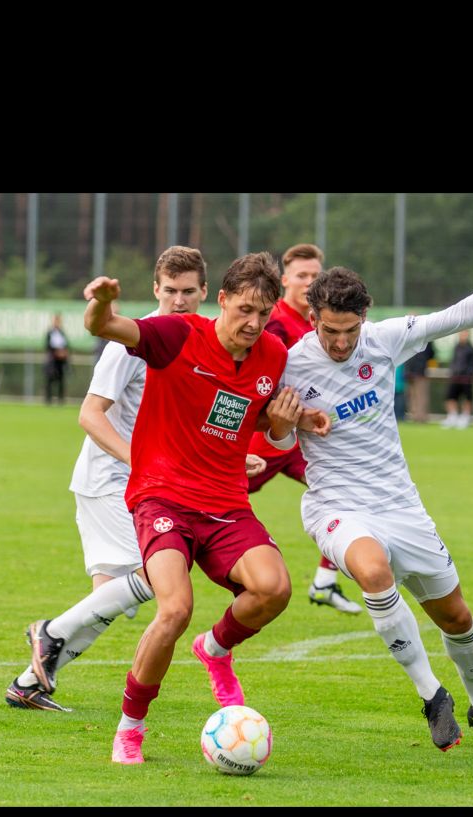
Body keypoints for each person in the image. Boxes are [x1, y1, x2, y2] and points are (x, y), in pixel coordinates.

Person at [281, 247, 473, 753]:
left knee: (458, 620)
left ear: (365, 316)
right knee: (374, 572)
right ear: (312, 318)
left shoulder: (383, 341)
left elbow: (455, 317)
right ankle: (432, 696)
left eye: (349, 331)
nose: (340, 343)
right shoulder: (290, 363)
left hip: (401, 506)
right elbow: (275, 442)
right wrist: (287, 421)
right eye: (329, 330)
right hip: (336, 505)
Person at [79, 252, 329, 765]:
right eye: (244, 310)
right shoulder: (175, 335)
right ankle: (130, 726)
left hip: (225, 502)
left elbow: (260, 423)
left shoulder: (271, 355)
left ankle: (214, 649)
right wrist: (102, 304)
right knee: (174, 608)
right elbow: (105, 326)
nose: (254, 323)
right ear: (221, 301)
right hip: (161, 495)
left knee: (274, 588)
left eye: (263, 314)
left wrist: (289, 423)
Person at [7, 247, 215, 711]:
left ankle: (28, 684)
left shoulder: (197, 342)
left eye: (188, 292)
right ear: (155, 290)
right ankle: (50, 633)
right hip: (110, 479)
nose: (179, 301)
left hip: (140, 482)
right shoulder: (132, 342)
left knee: (112, 599)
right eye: (170, 292)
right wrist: (139, 461)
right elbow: (89, 415)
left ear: (204, 293)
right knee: (158, 579)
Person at [246, 243, 361, 615]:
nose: (309, 281)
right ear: (285, 280)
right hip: (268, 437)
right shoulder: (275, 323)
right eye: (301, 276)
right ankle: (137, 566)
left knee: (351, 496)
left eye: (315, 275)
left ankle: (325, 583)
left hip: (302, 441)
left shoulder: (321, 321)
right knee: (203, 495)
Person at [441, 329, 473, 428]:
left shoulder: (472, 349)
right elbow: (453, 361)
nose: (463, 335)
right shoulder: (456, 347)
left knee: (467, 398)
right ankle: (453, 416)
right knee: (450, 397)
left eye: (465, 333)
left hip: (466, 378)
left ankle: (465, 418)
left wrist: (468, 374)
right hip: (455, 377)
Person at [43, 314, 71, 405]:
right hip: (52, 360)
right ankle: (48, 400)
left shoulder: (62, 333)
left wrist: (64, 353)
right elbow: (47, 346)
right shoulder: (50, 333)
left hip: (61, 361)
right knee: (50, 380)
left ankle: (60, 400)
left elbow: (66, 345)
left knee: (61, 380)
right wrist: (56, 353)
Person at [404, 342, 434, 422]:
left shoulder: (427, 337)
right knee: (412, 395)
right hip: (411, 371)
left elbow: (431, 354)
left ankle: (421, 417)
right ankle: (414, 416)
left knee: (421, 395)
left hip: (419, 371)